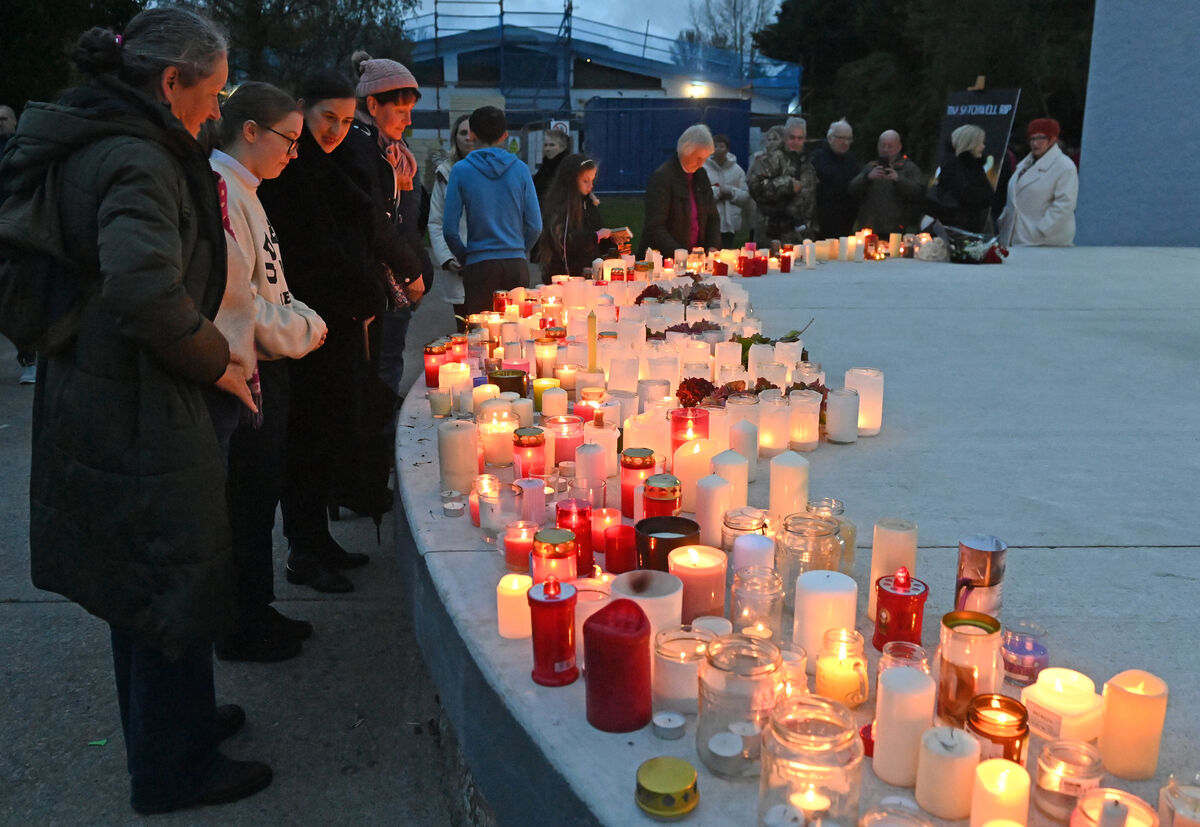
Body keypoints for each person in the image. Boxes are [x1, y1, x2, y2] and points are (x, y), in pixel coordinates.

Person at [0, 8, 272, 813]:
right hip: (137, 397)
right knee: (163, 570)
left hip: (111, 386)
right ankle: (173, 765)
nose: (217, 110)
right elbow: (143, 288)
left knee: (149, 575)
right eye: (213, 92)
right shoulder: (138, 158)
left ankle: (181, 721)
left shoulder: (109, 137)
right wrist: (216, 360)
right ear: (169, 83)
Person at [209, 82, 328, 662]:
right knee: (247, 505)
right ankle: (240, 625)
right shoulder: (223, 192)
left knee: (258, 504)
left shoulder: (248, 190)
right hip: (248, 373)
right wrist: (304, 328)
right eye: (290, 138)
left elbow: (267, 281)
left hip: (268, 364)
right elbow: (238, 304)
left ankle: (257, 609)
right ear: (250, 131)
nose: (296, 152)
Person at [258, 69, 384, 594]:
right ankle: (303, 549)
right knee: (305, 441)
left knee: (331, 433)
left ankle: (319, 540)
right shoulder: (289, 169)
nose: (335, 129)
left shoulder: (341, 161)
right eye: (327, 118)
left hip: (340, 322)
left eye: (346, 120)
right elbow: (301, 254)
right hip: (306, 326)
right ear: (303, 110)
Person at [347, 51, 430, 397]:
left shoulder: (395, 154)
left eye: (410, 111)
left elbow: (410, 218)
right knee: (380, 368)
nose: (408, 120)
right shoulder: (362, 151)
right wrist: (411, 271)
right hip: (380, 283)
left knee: (390, 361)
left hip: (395, 281)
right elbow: (378, 224)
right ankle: (381, 437)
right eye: (400, 110)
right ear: (372, 104)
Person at [442, 105, 541, 315]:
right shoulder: (521, 169)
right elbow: (535, 225)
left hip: (480, 266)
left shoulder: (460, 170)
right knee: (517, 333)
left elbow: (450, 229)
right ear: (505, 135)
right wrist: (519, 251)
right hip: (515, 264)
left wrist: (466, 257)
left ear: (471, 134)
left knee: (482, 336)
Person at [537, 153, 631, 276]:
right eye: (585, 181)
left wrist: (611, 240)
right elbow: (566, 242)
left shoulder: (588, 203)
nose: (590, 186)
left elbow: (594, 234)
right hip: (565, 276)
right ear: (571, 180)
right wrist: (596, 236)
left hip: (588, 271)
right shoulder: (562, 207)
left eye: (592, 180)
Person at [997, 118, 1078, 246]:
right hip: (1018, 238)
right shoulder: (1024, 164)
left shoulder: (1065, 166)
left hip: (1044, 242)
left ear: (1053, 139)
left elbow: (1065, 204)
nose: (1035, 143)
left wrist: (1042, 229)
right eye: (1032, 138)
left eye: (1041, 138)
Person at [641, 123, 720, 254]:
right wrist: (680, 253)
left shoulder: (701, 175)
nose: (701, 164)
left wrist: (713, 245)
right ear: (685, 151)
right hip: (666, 258)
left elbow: (712, 216)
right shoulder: (662, 178)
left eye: (705, 159)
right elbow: (655, 226)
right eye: (698, 158)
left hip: (696, 257)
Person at [428, 113, 473, 325]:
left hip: (489, 265)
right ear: (455, 137)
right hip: (458, 267)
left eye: (473, 132)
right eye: (463, 132)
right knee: (464, 329)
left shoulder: (496, 171)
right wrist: (447, 257)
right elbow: (435, 222)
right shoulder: (445, 174)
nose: (468, 137)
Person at [746, 116, 818, 243]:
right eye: (792, 137)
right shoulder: (771, 159)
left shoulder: (809, 163)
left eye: (800, 138)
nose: (795, 142)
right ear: (785, 137)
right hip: (774, 235)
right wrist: (786, 184)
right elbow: (755, 188)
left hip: (801, 234)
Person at [848, 129, 925, 235]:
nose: (885, 149)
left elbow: (919, 192)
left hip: (897, 231)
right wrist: (867, 178)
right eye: (882, 145)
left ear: (899, 147)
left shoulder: (909, 168)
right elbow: (852, 189)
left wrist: (898, 179)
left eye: (890, 146)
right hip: (869, 230)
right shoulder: (870, 167)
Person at [927, 124, 994, 233]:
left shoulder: (972, 166)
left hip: (966, 228)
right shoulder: (953, 166)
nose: (983, 146)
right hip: (956, 230)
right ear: (970, 144)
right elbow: (969, 196)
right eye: (980, 143)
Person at [810, 118, 860, 238]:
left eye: (849, 139)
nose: (846, 142)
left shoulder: (853, 162)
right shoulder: (816, 160)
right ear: (830, 138)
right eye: (841, 138)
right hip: (820, 226)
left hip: (846, 226)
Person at [703, 133, 750, 247]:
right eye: (715, 146)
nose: (718, 149)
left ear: (727, 149)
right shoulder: (704, 169)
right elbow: (701, 195)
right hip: (710, 221)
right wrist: (717, 192)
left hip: (731, 223)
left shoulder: (737, 170)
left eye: (721, 146)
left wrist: (730, 192)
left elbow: (745, 196)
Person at [747, 125, 785, 242]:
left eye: (775, 139)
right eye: (769, 139)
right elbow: (750, 180)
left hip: (784, 213)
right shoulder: (759, 159)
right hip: (764, 213)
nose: (772, 142)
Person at [532, 127, 569, 203]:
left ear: (563, 147)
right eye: (545, 145)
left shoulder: (566, 167)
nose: (547, 148)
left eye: (552, 145)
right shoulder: (545, 166)